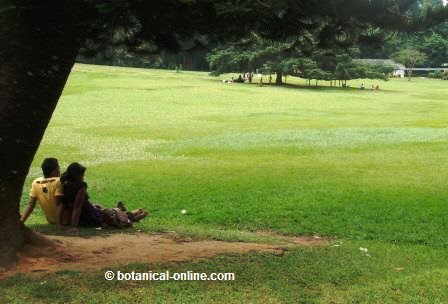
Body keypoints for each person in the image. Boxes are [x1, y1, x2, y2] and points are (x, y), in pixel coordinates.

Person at [60, 162, 148, 228]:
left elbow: (63, 205)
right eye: (83, 175)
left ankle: (124, 211)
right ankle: (133, 214)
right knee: (112, 216)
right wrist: (73, 227)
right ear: (78, 175)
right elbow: (77, 207)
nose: (83, 177)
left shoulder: (64, 185)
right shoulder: (81, 186)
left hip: (87, 214)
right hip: (90, 217)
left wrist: (59, 223)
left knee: (103, 209)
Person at [21, 158, 65, 227]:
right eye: (58, 168)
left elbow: (30, 205)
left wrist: (21, 221)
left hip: (51, 220)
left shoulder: (35, 182)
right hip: (64, 220)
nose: (59, 170)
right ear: (53, 171)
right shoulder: (58, 181)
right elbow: (58, 204)